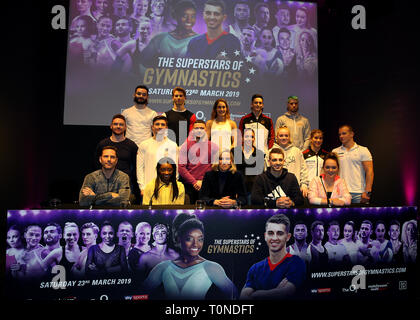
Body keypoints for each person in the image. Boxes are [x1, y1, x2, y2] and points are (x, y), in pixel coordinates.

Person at [144, 213, 238, 299]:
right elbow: (139, 293)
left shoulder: (211, 267)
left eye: (200, 239)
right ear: (178, 238)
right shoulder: (163, 267)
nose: (195, 244)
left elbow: (234, 295)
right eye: (189, 238)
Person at [240, 214, 306, 299]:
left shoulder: (296, 263)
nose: (274, 238)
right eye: (270, 233)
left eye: (280, 233)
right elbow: (243, 297)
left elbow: (286, 293)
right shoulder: (255, 268)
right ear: (265, 236)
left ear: (288, 237)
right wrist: (275, 290)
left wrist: (255, 295)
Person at [95, 114, 139, 202]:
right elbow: (96, 164)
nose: (118, 126)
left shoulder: (131, 145)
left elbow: (136, 166)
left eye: (121, 124)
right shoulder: (103, 144)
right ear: (111, 126)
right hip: (104, 182)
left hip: (124, 183)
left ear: (125, 127)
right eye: (115, 124)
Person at [178, 120, 219, 204]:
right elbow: (181, 167)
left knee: (206, 213)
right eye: (196, 128)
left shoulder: (213, 146)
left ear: (206, 130)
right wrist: (194, 182)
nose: (199, 130)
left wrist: (203, 181)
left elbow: (215, 167)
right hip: (189, 185)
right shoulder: (185, 146)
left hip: (207, 184)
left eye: (201, 128)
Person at [137, 116, 178, 195]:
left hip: (167, 187)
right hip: (148, 187)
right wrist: (142, 187)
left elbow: (176, 168)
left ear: (166, 128)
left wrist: (173, 185)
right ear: (152, 127)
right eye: (157, 124)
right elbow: (139, 168)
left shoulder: (172, 145)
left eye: (162, 125)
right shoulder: (144, 144)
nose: (160, 127)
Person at [332, 125, 374, 204]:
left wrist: (367, 192)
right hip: (341, 192)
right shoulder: (335, 152)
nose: (341, 136)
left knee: (360, 216)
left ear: (351, 134)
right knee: (340, 216)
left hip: (359, 193)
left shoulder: (363, 150)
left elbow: (369, 171)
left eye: (344, 133)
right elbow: (331, 173)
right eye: (339, 134)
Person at [270, 126, 309, 197]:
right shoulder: (271, 152)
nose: (284, 138)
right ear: (277, 137)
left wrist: (304, 184)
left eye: (286, 135)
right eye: (281, 135)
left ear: (289, 137)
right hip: (276, 189)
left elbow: (303, 170)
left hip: (294, 188)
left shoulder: (297, 151)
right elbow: (267, 171)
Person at [231, 128, 265, 200]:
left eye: (251, 137)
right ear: (243, 138)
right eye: (246, 136)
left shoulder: (260, 154)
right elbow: (232, 171)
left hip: (254, 190)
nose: (249, 139)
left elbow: (261, 175)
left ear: (254, 139)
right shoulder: (234, 151)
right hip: (238, 189)